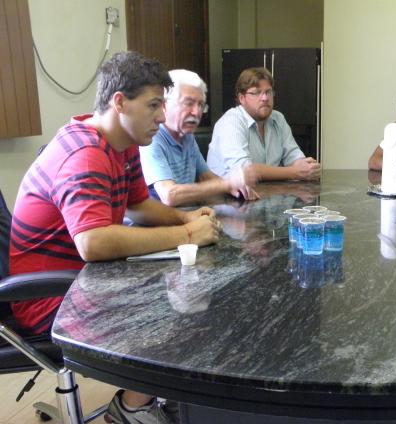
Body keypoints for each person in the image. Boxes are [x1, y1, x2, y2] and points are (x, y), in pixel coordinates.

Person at [9, 51, 222, 424]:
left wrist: (184, 217)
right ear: (119, 101)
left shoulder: (120, 146)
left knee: (192, 292)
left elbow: (138, 205)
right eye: (154, 105)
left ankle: (164, 398)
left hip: (83, 283)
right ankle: (131, 409)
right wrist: (187, 233)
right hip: (50, 300)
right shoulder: (85, 152)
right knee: (183, 306)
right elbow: (92, 242)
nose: (161, 115)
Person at [140, 69, 258, 206]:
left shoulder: (187, 136)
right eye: (188, 103)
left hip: (185, 217)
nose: (196, 112)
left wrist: (235, 187)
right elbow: (169, 195)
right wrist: (227, 184)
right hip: (153, 224)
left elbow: (205, 176)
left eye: (201, 105)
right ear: (164, 105)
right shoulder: (152, 138)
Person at [207, 67, 321, 181]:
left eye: (268, 92)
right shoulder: (231, 122)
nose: (265, 98)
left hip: (269, 192)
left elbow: (293, 156)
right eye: (256, 93)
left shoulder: (278, 118)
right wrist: (295, 172)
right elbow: (245, 171)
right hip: (228, 196)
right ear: (242, 98)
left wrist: (306, 167)